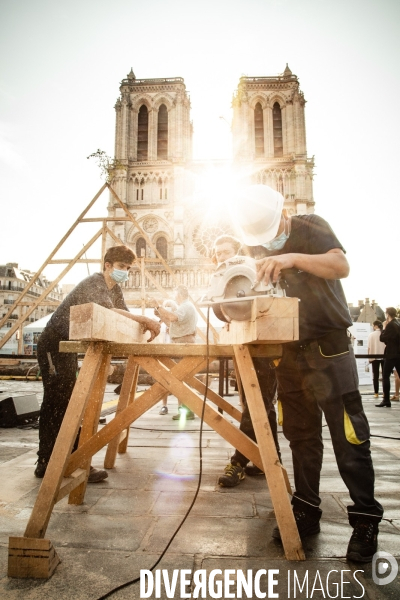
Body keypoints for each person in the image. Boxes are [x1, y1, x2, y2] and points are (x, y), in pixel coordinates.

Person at [233, 184, 383, 563]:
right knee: (300, 436)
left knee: (348, 436)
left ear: (284, 216)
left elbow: (340, 265)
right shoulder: (255, 244)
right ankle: (306, 509)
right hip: (289, 353)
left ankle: (365, 519)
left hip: (329, 347)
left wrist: (292, 258)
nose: (271, 244)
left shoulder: (311, 226)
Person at [35, 245, 161, 481]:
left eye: (129, 268)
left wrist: (143, 326)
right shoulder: (94, 282)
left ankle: (71, 458)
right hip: (54, 344)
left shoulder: (115, 289)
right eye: (122, 267)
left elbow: (123, 315)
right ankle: (46, 460)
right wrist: (144, 319)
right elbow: (110, 311)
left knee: (69, 399)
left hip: (68, 346)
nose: (126, 272)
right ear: (108, 266)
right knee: (56, 399)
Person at [211, 235, 281, 487]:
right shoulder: (223, 278)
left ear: (238, 251)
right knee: (260, 405)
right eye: (218, 254)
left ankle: (239, 462)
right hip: (243, 345)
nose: (222, 257)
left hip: (262, 346)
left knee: (256, 405)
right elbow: (220, 312)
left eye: (226, 251)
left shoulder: (254, 270)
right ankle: (269, 460)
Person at [154, 285, 198, 420]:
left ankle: (187, 410)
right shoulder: (185, 307)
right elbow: (173, 323)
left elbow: (172, 318)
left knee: (181, 377)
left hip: (184, 343)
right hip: (182, 342)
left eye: (175, 295)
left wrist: (159, 307)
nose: (174, 297)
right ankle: (185, 410)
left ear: (179, 295)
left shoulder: (185, 306)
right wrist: (161, 313)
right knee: (181, 377)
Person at [378, 307, 400, 408]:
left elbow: (382, 338)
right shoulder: (398, 323)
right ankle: (386, 400)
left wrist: (383, 327)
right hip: (398, 353)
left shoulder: (390, 325)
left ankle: (386, 399)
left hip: (391, 353)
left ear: (387, 314)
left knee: (385, 376)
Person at [367, 320, 385, 398]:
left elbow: (369, 347)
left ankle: (376, 393)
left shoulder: (371, 335)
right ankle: (385, 393)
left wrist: (369, 357)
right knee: (385, 376)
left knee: (375, 376)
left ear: (375, 326)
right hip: (384, 356)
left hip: (374, 356)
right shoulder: (384, 333)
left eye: (373, 325)